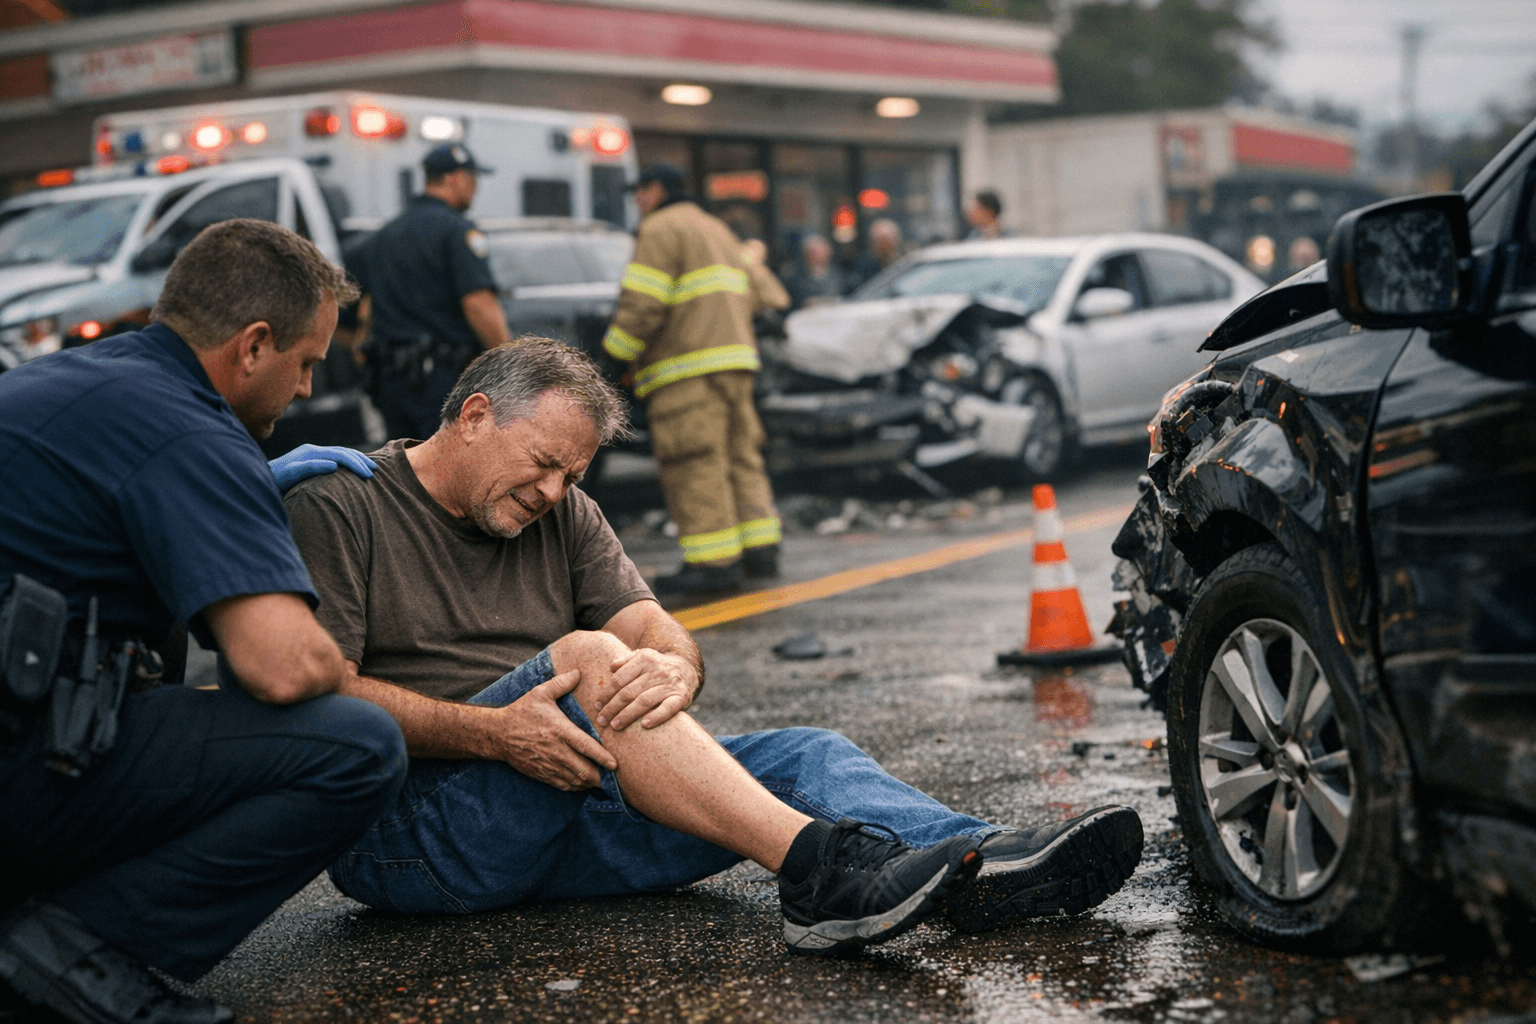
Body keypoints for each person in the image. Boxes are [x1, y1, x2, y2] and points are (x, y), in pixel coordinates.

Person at [283, 339, 1146, 958]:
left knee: (805, 751)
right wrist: (499, 733)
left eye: (573, 476)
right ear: (474, 417)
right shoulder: (343, 503)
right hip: (414, 839)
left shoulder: (567, 512)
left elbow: (650, 625)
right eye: (544, 463)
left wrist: (674, 664)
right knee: (587, 657)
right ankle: (818, 876)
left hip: (568, 811)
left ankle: (984, 863)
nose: (555, 491)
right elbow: (319, 701)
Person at [0, 219, 408, 1024]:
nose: (302, 391)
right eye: (304, 364)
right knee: (357, 745)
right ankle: (69, 955)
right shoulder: (189, 429)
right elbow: (283, 667)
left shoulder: (73, 381)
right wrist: (338, 661)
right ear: (253, 346)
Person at [602, 164, 784, 596]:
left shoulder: (660, 228)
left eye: (640, 192)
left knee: (694, 461)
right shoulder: (716, 228)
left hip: (686, 371)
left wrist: (612, 358)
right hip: (737, 366)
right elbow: (770, 296)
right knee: (741, 457)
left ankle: (713, 562)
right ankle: (761, 548)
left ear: (657, 190)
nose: (637, 202)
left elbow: (643, 305)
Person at [349, 143, 513, 441]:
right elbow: (478, 303)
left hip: (390, 382)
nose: (475, 189)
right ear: (455, 179)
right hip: (440, 382)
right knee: (446, 472)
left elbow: (355, 310)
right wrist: (510, 364)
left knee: (403, 472)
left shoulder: (384, 234)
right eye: (473, 179)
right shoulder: (457, 231)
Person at [784, 233, 845, 309]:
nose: (821, 254)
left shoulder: (838, 273)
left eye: (824, 250)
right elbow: (792, 302)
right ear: (807, 253)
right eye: (815, 251)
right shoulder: (795, 278)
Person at [847, 218, 903, 292]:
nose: (884, 246)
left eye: (886, 241)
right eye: (880, 241)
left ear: (896, 240)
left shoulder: (907, 261)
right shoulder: (863, 268)